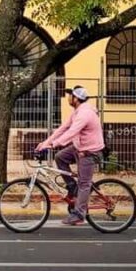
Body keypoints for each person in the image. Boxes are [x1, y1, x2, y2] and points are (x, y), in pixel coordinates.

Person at [35, 85, 105, 226]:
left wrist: (54, 144)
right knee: (60, 157)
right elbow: (63, 128)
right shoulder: (77, 112)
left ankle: (79, 215)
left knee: (84, 183)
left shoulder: (85, 113)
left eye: (70, 95)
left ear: (76, 98)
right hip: (79, 147)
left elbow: (71, 132)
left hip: (89, 152)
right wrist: (45, 143)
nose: (68, 98)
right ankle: (73, 187)